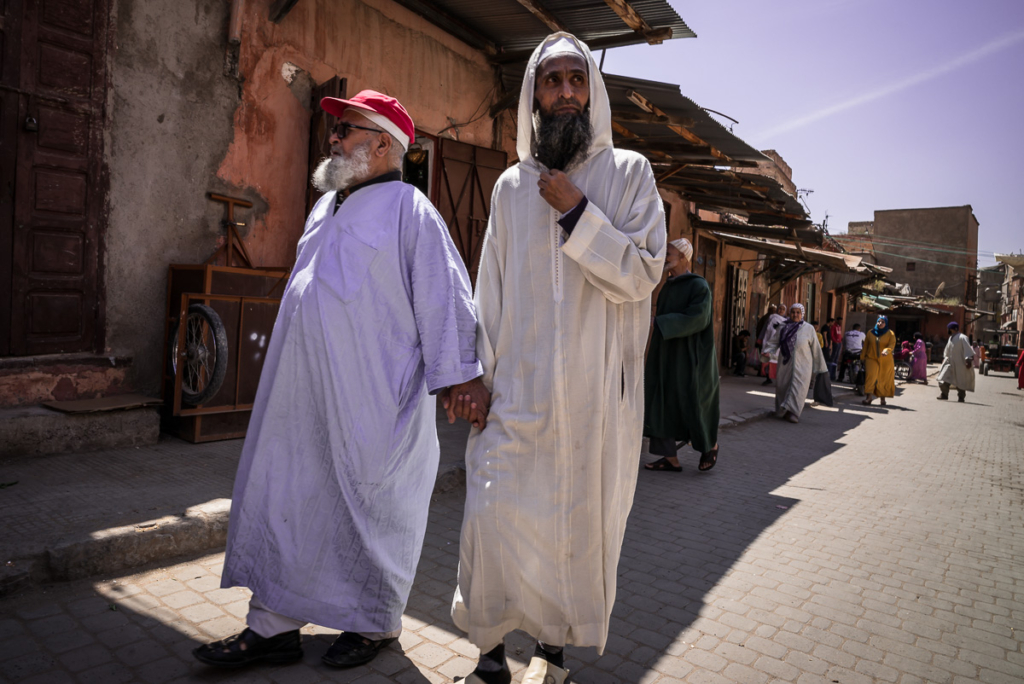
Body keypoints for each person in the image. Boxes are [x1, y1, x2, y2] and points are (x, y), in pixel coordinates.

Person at [192, 90, 488, 670]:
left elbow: (445, 298)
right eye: (334, 127)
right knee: (289, 497)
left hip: (375, 405)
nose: (333, 136)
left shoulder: (410, 209)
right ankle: (272, 626)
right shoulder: (325, 207)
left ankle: (374, 624)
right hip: (301, 400)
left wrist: (460, 379)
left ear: (383, 143)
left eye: (347, 127)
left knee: (371, 512)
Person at [449, 33, 666, 684]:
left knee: (570, 529)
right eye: (553, 80)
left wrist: (579, 215)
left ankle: (553, 652)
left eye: (577, 79)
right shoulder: (513, 187)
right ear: (534, 95)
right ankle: (487, 654)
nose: (565, 91)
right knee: (490, 519)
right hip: (513, 397)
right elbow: (489, 290)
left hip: (589, 404)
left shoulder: (628, 174)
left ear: (592, 94)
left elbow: (644, 272)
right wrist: (473, 377)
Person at [643, 238, 720, 473]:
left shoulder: (699, 286)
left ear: (684, 257)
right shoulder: (668, 284)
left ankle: (710, 446)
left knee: (695, 402)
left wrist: (661, 323)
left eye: (669, 253)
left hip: (690, 356)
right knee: (662, 402)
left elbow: (699, 318)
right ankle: (670, 458)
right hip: (666, 354)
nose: (665, 257)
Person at [762, 303, 827, 423]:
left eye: (798, 312)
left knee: (798, 388)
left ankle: (794, 413)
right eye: (793, 312)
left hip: (803, 365)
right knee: (783, 387)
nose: (795, 314)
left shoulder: (808, 328)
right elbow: (774, 342)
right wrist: (767, 352)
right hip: (785, 365)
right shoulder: (782, 327)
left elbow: (816, 349)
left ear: (802, 314)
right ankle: (784, 410)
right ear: (789, 313)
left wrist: (820, 367)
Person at [861, 315, 896, 406]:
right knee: (870, 377)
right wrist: (862, 357)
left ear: (886, 323)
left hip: (885, 359)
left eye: (882, 322)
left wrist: (886, 351)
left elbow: (891, 345)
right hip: (871, 358)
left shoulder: (890, 333)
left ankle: (882, 398)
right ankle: (869, 398)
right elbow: (865, 346)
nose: (880, 323)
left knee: (883, 378)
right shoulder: (870, 333)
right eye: (878, 321)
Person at [937, 321, 975, 402]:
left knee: (960, 381)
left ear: (951, 329)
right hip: (949, 363)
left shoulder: (962, 337)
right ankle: (944, 394)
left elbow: (968, 349)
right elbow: (947, 350)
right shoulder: (950, 338)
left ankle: (961, 397)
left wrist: (968, 359)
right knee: (942, 378)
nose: (947, 330)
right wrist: (944, 358)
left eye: (948, 329)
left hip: (960, 364)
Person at [759, 305, 788, 386]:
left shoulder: (787, 320)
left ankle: (779, 380)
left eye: (783, 309)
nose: (781, 311)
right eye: (779, 309)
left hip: (779, 345)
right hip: (769, 342)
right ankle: (768, 378)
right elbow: (765, 329)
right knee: (767, 360)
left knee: (778, 362)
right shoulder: (771, 317)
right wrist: (760, 339)